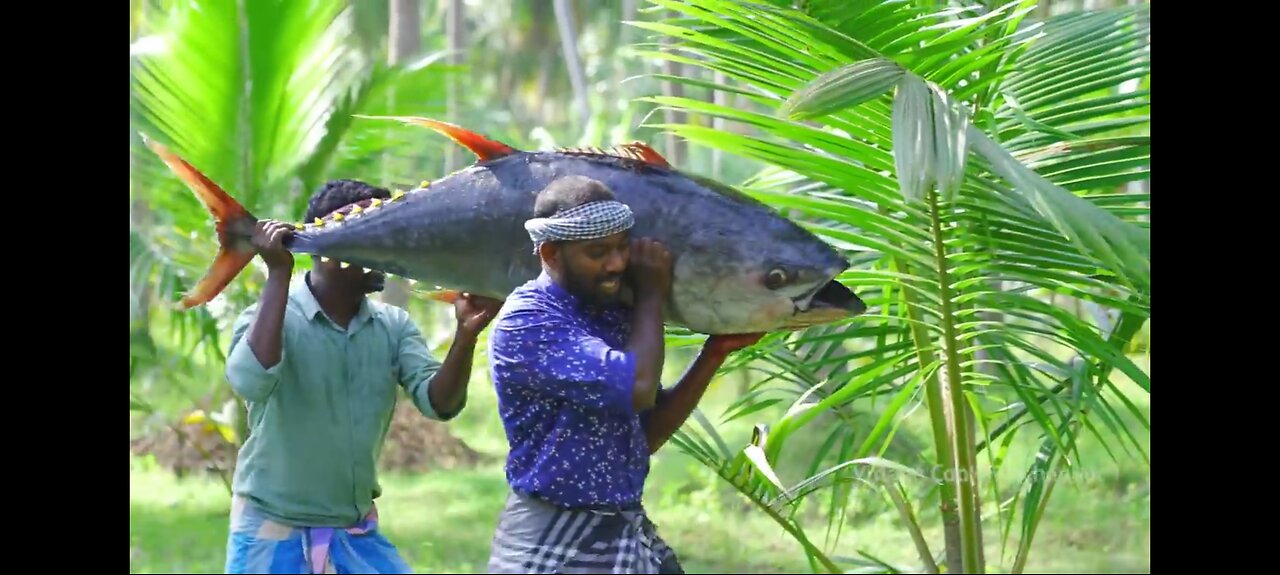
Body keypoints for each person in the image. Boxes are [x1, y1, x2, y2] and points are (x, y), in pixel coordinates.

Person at [485, 175, 765, 574]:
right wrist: (652, 294)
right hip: (555, 536)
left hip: (621, 524)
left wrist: (714, 353)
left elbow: (642, 435)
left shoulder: (610, 313)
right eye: (597, 252)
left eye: (622, 248)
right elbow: (638, 388)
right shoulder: (529, 321)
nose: (616, 264)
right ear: (550, 253)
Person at [221, 179, 503, 574]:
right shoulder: (267, 318)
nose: (388, 251)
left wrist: (466, 334)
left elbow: (441, 404)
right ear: (326, 247)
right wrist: (278, 276)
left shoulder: (393, 326)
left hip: (354, 532)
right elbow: (250, 382)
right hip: (272, 530)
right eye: (375, 236)